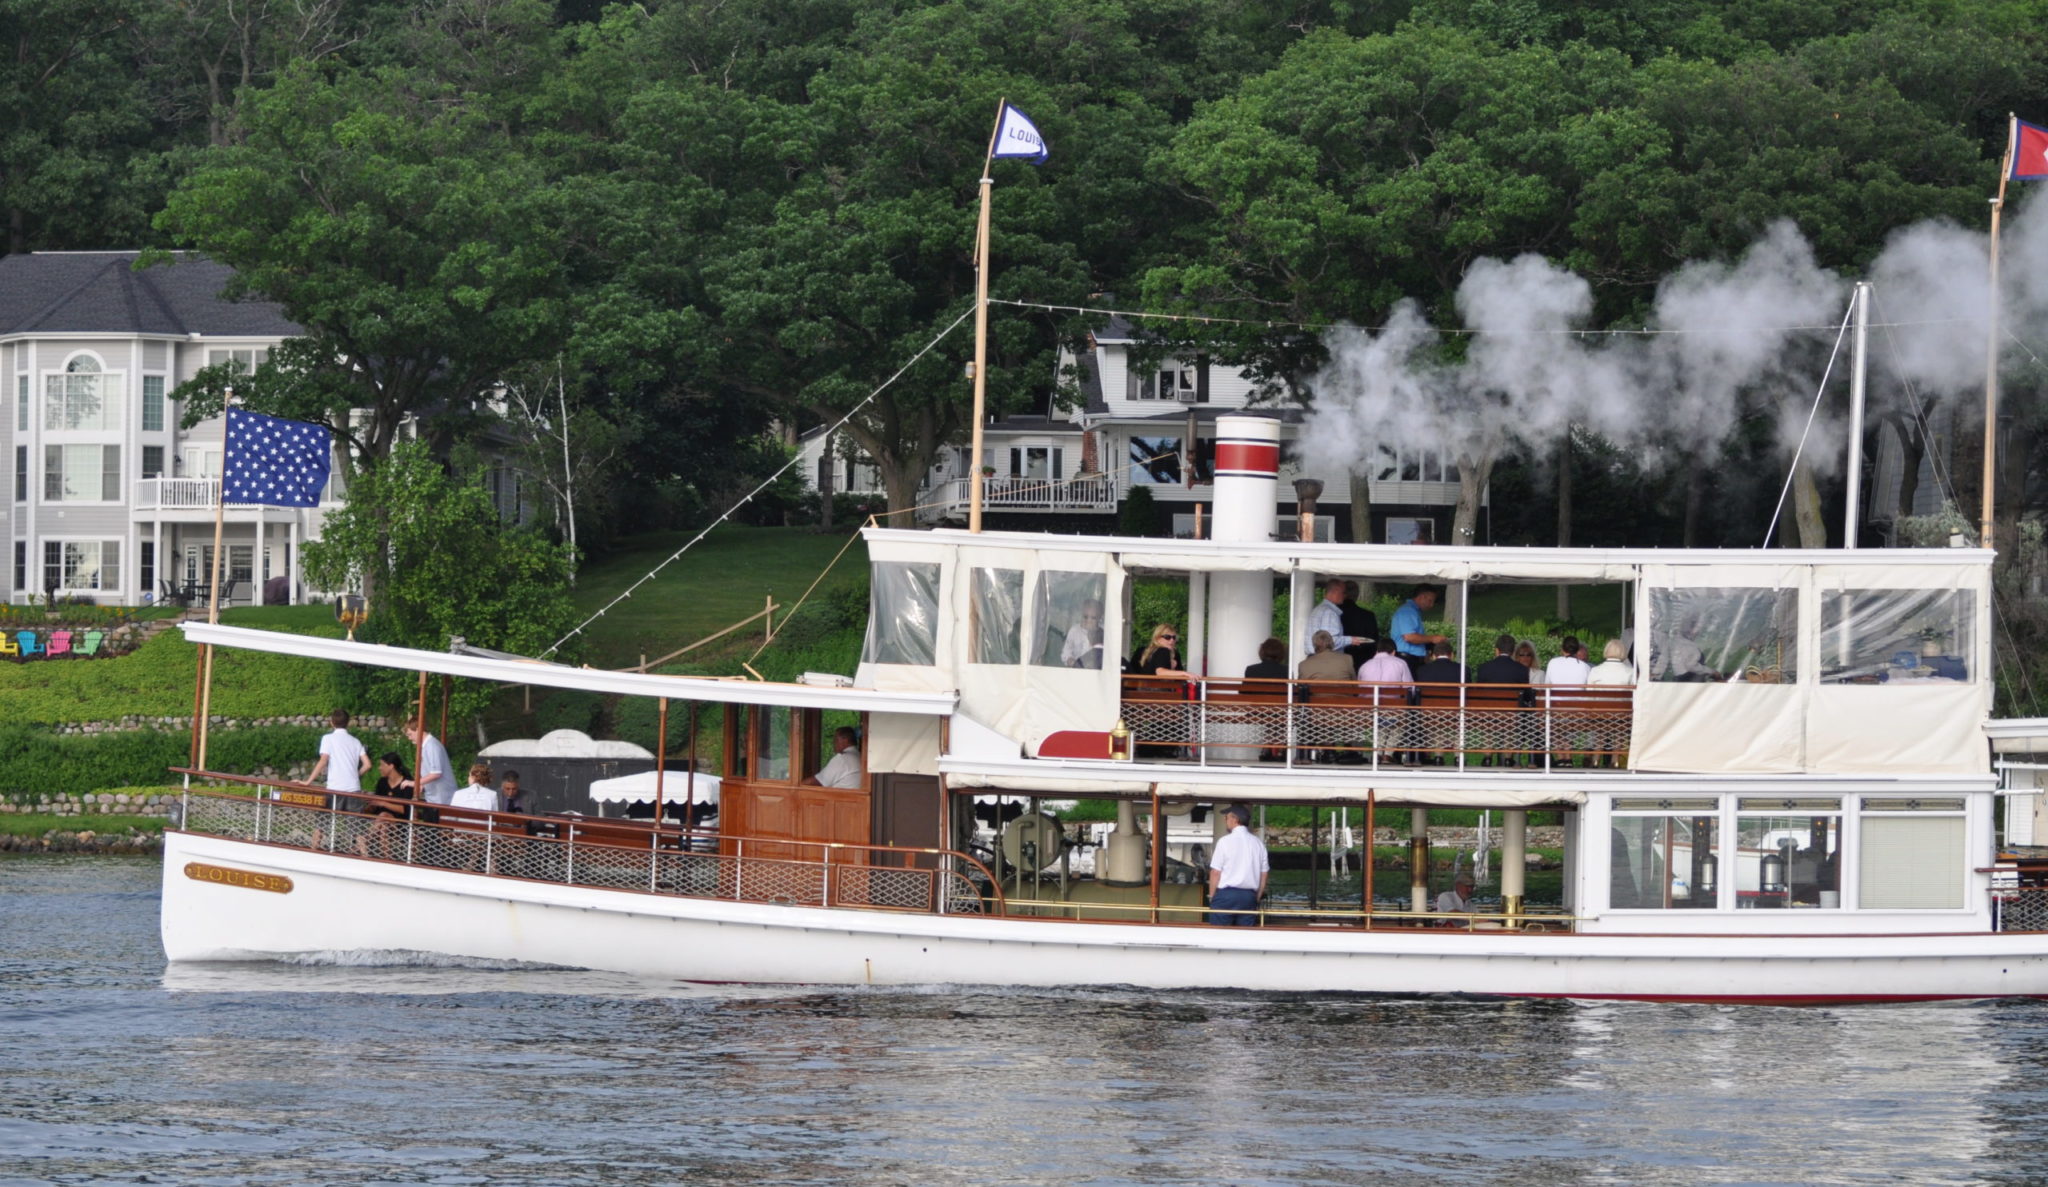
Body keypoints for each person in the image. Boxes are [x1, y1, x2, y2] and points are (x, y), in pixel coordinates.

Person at [1207, 803, 1269, 926]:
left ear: (1235, 819)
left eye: (1227, 817)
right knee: (1245, 936)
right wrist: (1257, 896)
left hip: (1226, 895)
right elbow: (1264, 874)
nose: (1225, 820)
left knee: (1219, 935)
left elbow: (1215, 872)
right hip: (1248, 896)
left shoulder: (1224, 842)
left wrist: (1212, 896)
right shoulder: (1258, 843)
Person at [307, 708, 370, 812]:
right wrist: (356, 774)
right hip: (353, 788)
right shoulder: (356, 741)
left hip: (335, 788)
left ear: (332, 723)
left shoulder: (328, 738)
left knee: (323, 824)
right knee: (354, 826)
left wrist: (308, 781)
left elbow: (323, 761)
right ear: (348, 723)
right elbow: (367, 764)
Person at [358, 752, 416, 859]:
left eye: (382, 765)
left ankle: (365, 839)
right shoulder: (382, 782)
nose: (379, 768)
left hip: (400, 824)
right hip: (381, 823)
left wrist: (383, 803)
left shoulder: (407, 784)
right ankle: (387, 858)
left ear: (391, 766)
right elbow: (376, 805)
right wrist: (369, 802)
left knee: (384, 815)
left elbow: (404, 810)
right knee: (384, 825)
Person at [1392, 585, 1447, 674]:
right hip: (1407, 659)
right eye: (1430, 601)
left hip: (1411, 659)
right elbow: (1410, 637)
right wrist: (1432, 638)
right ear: (1421, 597)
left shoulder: (1412, 611)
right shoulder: (1408, 611)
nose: (1432, 605)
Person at [405, 718, 458, 807]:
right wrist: (423, 784)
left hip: (442, 799)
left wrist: (415, 783)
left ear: (418, 729)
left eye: (410, 734)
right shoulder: (426, 746)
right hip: (434, 798)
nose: (410, 738)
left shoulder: (432, 746)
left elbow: (436, 773)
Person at [1305, 577, 1364, 655]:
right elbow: (1329, 643)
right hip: (1325, 661)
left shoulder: (1317, 610)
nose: (1345, 596)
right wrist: (1351, 640)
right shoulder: (1329, 613)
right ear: (1336, 591)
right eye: (1344, 592)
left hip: (1313, 659)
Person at [1339, 580, 1380, 668]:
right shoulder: (1368, 616)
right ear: (1357, 595)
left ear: (1343, 594)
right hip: (1363, 660)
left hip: (1338, 660)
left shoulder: (1334, 614)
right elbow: (1374, 641)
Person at [1061, 599, 1106, 669]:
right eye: (1085, 617)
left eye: (1093, 618)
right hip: (1077, 670)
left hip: (1096, 671)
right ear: (1081, 615)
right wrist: (1070, 660)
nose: (1088, 621)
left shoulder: (1102, 632)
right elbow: (1066, 652)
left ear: (1099, 618)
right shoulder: (1074, 631)